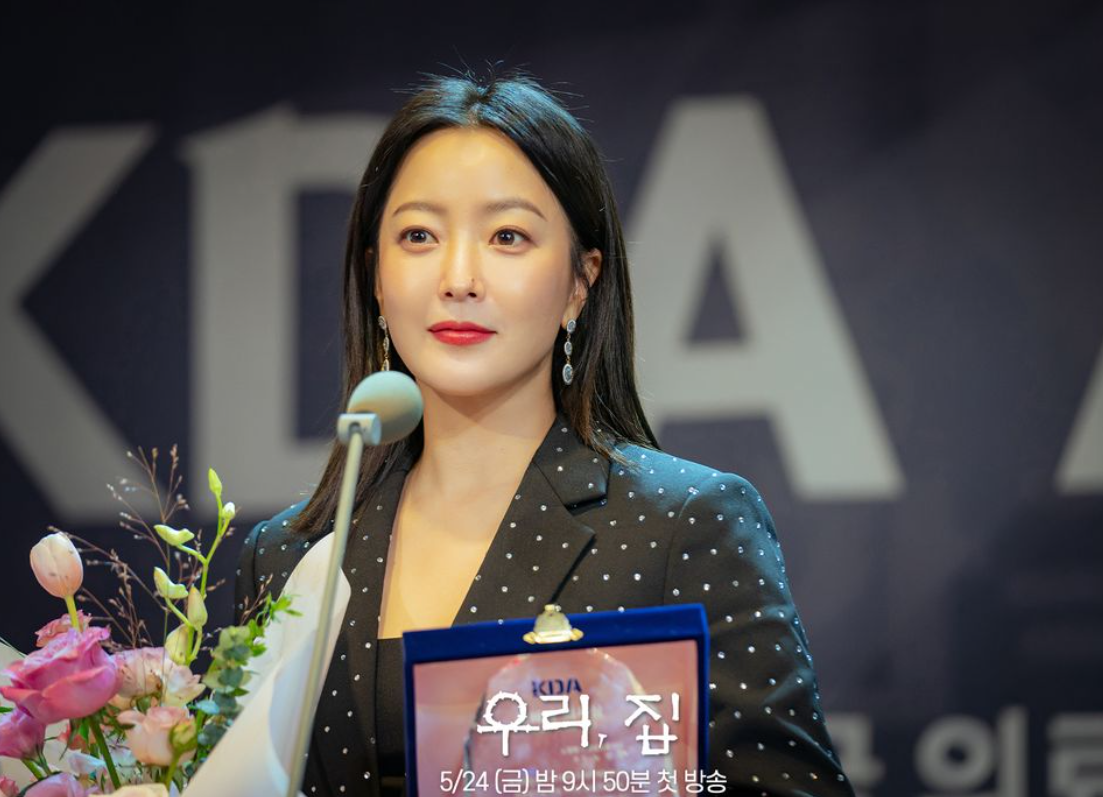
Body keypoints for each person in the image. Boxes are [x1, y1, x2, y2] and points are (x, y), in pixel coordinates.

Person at [234, 70, 854, 797]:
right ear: (376, 278)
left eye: (507, 236)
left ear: (579, 283)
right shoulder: (289, 555)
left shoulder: (682, 525)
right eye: (418, 235)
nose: (458, 277)